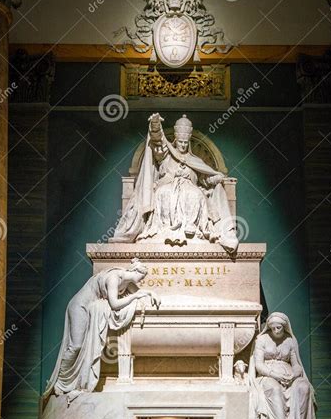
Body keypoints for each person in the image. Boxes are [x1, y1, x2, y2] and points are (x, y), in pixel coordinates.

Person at [112, 113, 239, 252]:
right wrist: (155, 125)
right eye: (180, 142)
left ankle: (191, 228)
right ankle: (164, 229)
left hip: (190, 188)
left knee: (195, 194)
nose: (183, 145)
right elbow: (158, 142)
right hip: (166, 186)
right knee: (163, 193)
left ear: (189, 142)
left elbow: (205, 179)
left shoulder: (195, 161)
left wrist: (216, 178)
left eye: (185, 143)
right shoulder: (166, 155)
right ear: (176, 140)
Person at [43, 259, 159, 404]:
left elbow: (141, 292)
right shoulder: (114, 278)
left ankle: (68, 382)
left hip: (89, 308)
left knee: (80, 346)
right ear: (135, 272)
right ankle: (61, 382)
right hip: (80, 307)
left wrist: (151, 293)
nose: (141, 280)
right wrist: (135, 296)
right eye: (141, 277)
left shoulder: (127, 281)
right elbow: (115, 304)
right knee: (76, 346)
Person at [248, 312, 323, 419]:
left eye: (279, 328)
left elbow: (296, 364)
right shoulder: (262, 339)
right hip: (267, 375)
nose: (276, 330)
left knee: (304, 387)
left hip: (289, 375)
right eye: (273, 328)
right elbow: (258, 365)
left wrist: (293, 375)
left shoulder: (290, 340)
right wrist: (274, 374)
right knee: (274, 388)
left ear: (284, 326)